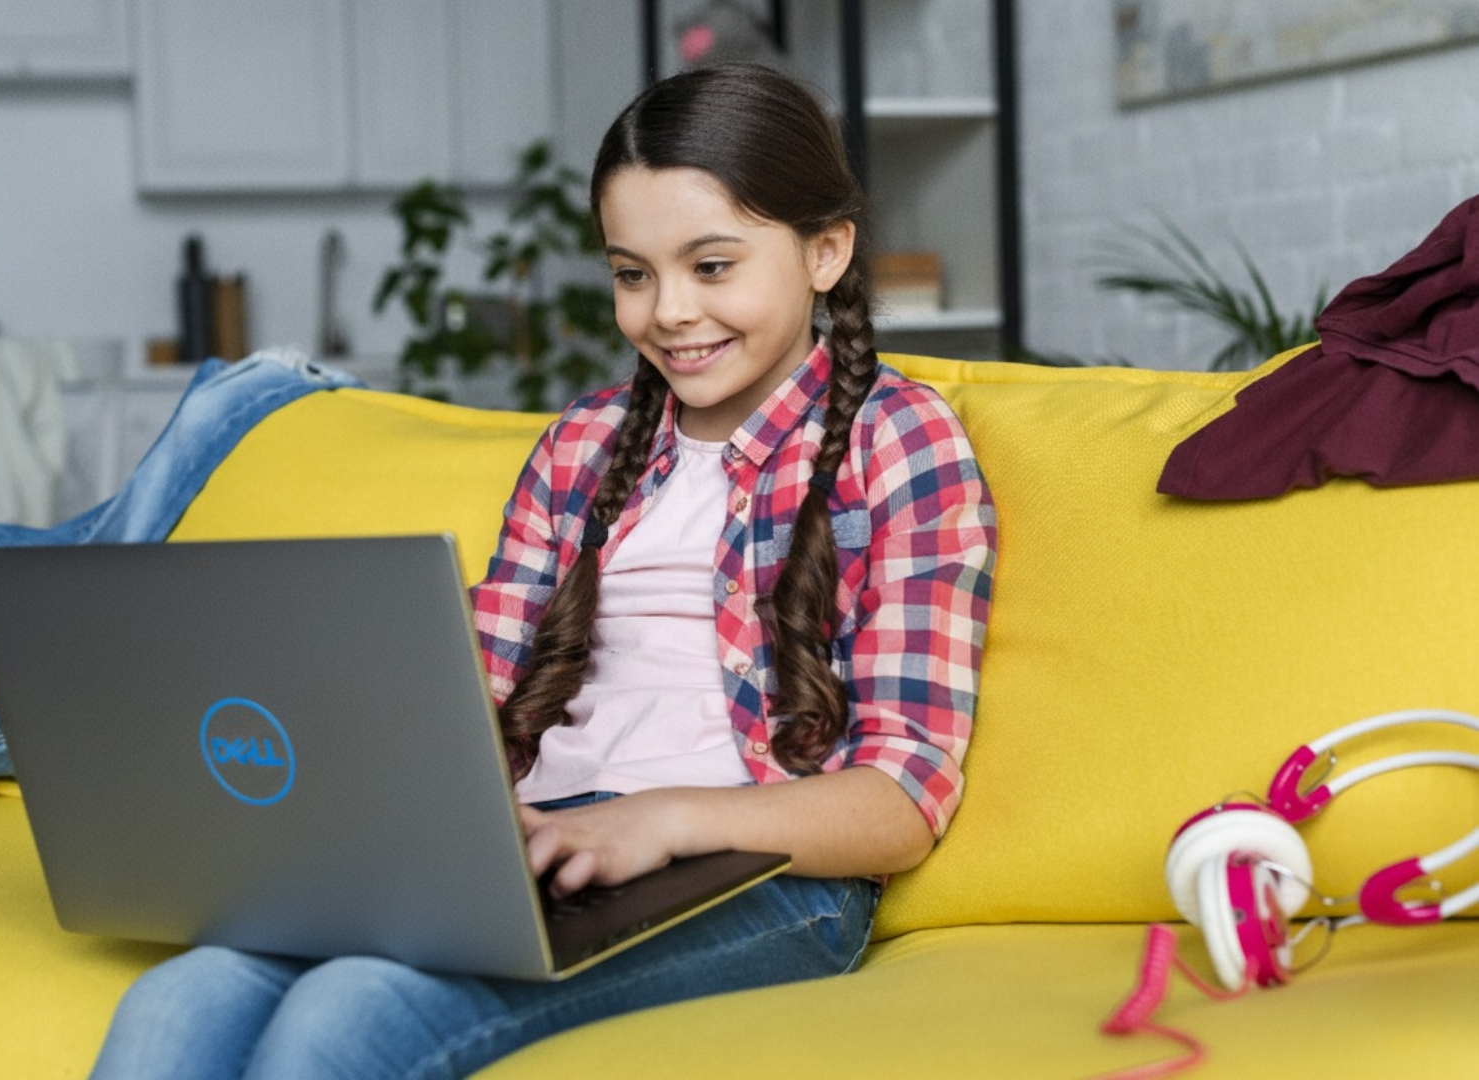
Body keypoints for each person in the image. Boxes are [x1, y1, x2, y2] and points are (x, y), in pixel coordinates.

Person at [90, 62, 996, 1079]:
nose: (668, 313)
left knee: (352, 1013)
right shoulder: (583, 445)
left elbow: (902, 799)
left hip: (761, 874)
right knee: (178, 999)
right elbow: (470, 692)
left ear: (826, 250)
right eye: (631, 273)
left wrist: (658, 822)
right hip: (537, 846)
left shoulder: (898, 439)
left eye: (711, 265)